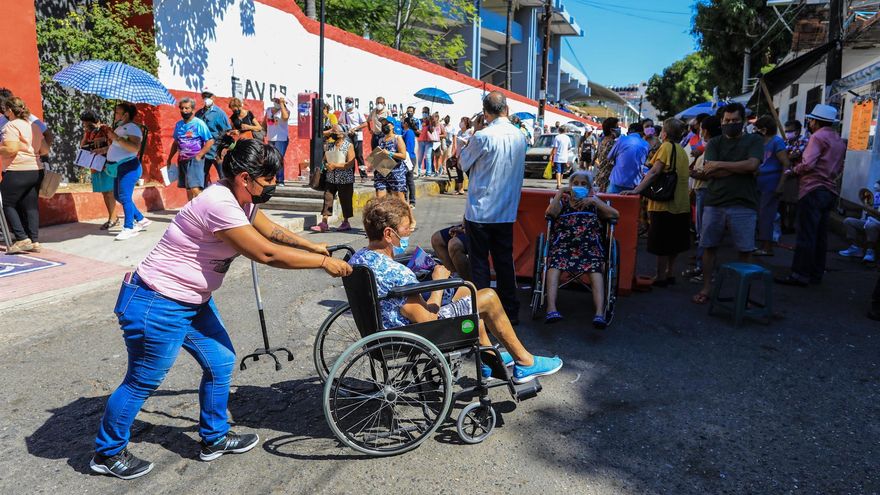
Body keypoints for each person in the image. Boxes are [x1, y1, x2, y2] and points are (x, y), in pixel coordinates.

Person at [90, 139, 352, 480]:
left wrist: (311, 244)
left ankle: (213, 439)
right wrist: (321, 262)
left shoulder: (240, 199)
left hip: (191, 301)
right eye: (268, 179)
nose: (272, 185)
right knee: (143, 380)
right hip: (157, 300)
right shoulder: (219, 204)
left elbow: (271, 230)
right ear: (245, 177)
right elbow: (266, 253)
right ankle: (107, 453)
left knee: (221, 361)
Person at [349, 196, 562, 383]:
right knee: (486, 296)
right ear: (388, 233)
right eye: (405, 230)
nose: (408, 236)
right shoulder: (398, 274)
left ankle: (487, 358)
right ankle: (525, 362)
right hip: (409, 333)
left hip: (383, 323)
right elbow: (429, 320)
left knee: (463, 295)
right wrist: (438, 280)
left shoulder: (359, 258)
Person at [459, 91, 525, 323]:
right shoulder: (520, 136)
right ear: (505, 108)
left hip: (481, 210)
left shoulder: (483, 136)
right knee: (504, 262)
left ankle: (484, 314)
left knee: (480, 265)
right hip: (506, 210)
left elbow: (463, 162)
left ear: (486, 112)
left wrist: (475, 132)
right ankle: (510, 310)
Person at [691, 102, 763, 304]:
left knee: (744, 249)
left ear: (743, 122)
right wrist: (742, 168)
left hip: (744, 203)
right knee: (708, 246)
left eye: (735, 121)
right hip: (715, 202)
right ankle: (706, 287)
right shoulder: (715, 143)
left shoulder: (754, 140)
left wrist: (720, 165)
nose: (731, 124)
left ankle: (743, 291)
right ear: (722, 121)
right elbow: (708, 171)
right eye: (727, 121)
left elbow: (753, 165)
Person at [775, 105, 846, 287]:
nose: (810, 123)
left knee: (806, 234)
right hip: (829, 190)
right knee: (820, 236)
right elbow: (839, 168)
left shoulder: (817, 137)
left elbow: (808, 164)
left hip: (813, 189)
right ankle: (815, 273)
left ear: (816, 121)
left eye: (811, 120)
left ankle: (799, 274)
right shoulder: (838, 139)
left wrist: (793, 170)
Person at [543, 171, 619, 327]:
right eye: (575, 183)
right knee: (554, 264)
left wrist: (595, 202)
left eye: (583, 184)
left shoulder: (594, 203)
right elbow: (550, 213)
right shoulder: (563, 202)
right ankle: (551, 308)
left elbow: (615, 215)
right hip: (564, 245)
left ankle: (599, 313)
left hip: (589, 247)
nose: (579, 186)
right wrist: (560, 192)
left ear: (590, 187)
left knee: (595, 267)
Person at [622, 118, 690, 287]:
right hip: (681, 203)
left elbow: (654, 172)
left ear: (664, 133)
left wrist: (636, 189)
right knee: (674, 242)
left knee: (662, 242)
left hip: (664, 204)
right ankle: (669, 273)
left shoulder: (666, 147)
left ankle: (660, 277)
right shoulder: (681, 150)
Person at [0, 97, 48, 254]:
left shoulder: (11, 126)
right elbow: (45, 150)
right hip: (36, 170)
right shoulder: (33, 125)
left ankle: (21, 238)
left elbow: (11, 149)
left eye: (6, 110)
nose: (5, 113)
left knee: (7, 202)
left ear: (11, 111)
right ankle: (34, 241)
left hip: (17, 170)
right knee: (31, 206)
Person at [102, 102, 152, 241]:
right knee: (118, 196)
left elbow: (134, 148)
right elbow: (117, 147)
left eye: (117, 112)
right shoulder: (120, 127)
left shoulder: (133, 128)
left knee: (124, 197)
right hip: (119, 167)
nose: (115, 114)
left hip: (129, 166)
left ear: (126, 114)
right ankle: (141, 220)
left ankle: (129, 227)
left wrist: (116, 138)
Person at [683, 115, 722, 282]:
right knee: (702, 231)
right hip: (701, 191)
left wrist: (691, 172)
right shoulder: (708, 146)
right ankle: (701, 267)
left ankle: (705, 271)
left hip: (706, 191)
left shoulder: (713, 146)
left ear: (705, 130)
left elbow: (709, 173)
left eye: (700, 128)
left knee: (704, 232)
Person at [752, 115, 790, 257]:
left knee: (766, 215)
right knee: (760, 215)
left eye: (757, 128)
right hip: (760, 182)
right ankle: (762, 244)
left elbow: (786, 164)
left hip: (771, 183)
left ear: (764, 129)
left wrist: (780, 185)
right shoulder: (762, 142)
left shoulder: (776, 142)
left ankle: (767, 247)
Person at [311, 125, 355, 232]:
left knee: (345, 200)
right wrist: (326, 164)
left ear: (342, 134)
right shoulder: (330, 145)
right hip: (331, 178)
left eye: (335, 131)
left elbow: (351, 163)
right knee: (327, 199)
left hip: (345, 179)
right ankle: (324, 222)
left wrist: (335, 165)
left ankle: (346, 222)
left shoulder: (348, 145)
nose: (332, 133)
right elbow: (324, 159)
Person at [168, 98, 214, 201]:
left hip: (195, 160)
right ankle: (191, 212)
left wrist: (199, 156)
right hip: (182, 160)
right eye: (182, 108)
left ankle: (202, 211)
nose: (184, 110)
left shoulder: (199, 123)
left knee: (195, 188)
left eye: (187, 108)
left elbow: (210, 141)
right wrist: (170, 158)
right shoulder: (179, 125)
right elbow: (176, 142)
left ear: (193, 110)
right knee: (188, 189)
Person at [79, 110, 116, 230]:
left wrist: (102, 150)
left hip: (107, 164)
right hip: (95, 165)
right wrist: (86, 134)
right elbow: (82, 146)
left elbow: (115, 145)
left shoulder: (106, 129)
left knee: (110, 192)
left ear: (96, 121)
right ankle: (113, 216)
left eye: (88, 124)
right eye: (84, 124)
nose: (86, 126)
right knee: (105, 192)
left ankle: (113, 218)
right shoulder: (89, 133)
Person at [195, 91, 231, 183]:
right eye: (204, 96)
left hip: (217, 152)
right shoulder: (198, 114)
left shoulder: (219, 113)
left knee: (223, 177)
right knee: (201, 177)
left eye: (208, 96)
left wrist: (223, 150)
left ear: (213, 97)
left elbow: (227, 132)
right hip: (203, 152)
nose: (205, 98)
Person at [781, 119, 809, 233]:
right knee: (782, 201)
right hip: (785, 173)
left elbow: (795, 155)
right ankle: (783, 224)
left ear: (797, 132)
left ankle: (790, 226)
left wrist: (786, 156)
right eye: (786, 131)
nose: (787, 133)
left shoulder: (804, 140)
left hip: (796, 174)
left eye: (789, 131)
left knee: (792, 202)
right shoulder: (786, 141)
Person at [374, 117, 409, 204]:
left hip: (396, 173)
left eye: (386, 124)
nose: (384, 126)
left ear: (392, 126)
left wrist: (389, 153)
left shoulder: (397, 138)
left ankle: (410, 217)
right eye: (382, 124)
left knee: (400, 201)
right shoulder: (381, 140)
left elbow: (403, 155)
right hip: (382, 172)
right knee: (380, 200)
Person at [839, 187, 879, 263]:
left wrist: (870, 210)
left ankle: (870, 252)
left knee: (870, 226)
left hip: (876, 223)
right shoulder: (877, 195)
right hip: (869, 220)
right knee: (848, 221)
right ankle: (856, 248)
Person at [607, 122, 649, 194]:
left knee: (610, 203)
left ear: (630, 130)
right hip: (634, 185)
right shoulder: (646, 144)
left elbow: (609, 157)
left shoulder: (622, 139)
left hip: (616, 181)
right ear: (642, 133)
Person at [263, 96, 290, 185]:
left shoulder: (285, 111)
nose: (276, 102)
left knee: (279, 158)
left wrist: (282, 104)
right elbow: (264, 122)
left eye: (278, 100)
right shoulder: (268, 110)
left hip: (281, 138)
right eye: (276, 100)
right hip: (271, 138)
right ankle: (270, 178)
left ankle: (280, 180)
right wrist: (264, 132)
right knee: (271, 158)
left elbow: (285, 117)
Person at [340, 97, 368, 181]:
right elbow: (339, 122)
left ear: (353, 103)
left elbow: (365, 123)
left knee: (359, 156)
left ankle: (363, 175)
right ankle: (350, 175)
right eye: (346, 101)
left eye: (349, 102)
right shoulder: (343, 113)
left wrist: (355, 128)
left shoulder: (358, 112)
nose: (348, 103)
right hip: (348, 137)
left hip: (357, 136)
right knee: (349, 156)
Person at [447, 116, 472, 195]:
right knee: (459, 172)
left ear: (466, 123)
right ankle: (460, 189)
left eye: (462, 122)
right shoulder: (459, 132)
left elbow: (470, 143)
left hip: (466, 155)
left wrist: (463, 140)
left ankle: (473, 188)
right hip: (459, 155)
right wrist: (454, 154)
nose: (460, 123)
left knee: (468, 172)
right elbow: (457, 145)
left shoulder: (470, 131)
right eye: (460, 121)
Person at [593, 117, 619, 192]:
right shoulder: (612, 143)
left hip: (601, 176)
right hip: (607, 179)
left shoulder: (603, 141)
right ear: (612, 130)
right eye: (617, 127)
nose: (619, 129)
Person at [401, 117, 418, 207]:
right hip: (407, 158)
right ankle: (405, 200)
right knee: (405, 180)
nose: (402, 123)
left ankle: (412, 201)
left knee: (409, 180)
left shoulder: (409, 133)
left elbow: (408, 148)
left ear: (406, 123)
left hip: (409, 158)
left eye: (403, 122)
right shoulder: (405, 132)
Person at [549, 125, 572, 189]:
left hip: (558, 157)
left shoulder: (557, 137)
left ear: (559, 130)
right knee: (561, 171)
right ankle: (560, 183)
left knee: (558, 171)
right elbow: (569, 147)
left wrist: (551, 156)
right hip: (564, 157)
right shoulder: (567, 137)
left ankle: (558, 184)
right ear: (565, 131)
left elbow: (555, 148)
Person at [416, 107, 437, 177]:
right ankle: (417, 171)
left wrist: (430, 121)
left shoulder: (431, 120)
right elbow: (419, 130)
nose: (424, 113)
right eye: (423, 112)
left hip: (428, 141)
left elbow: (432, 130)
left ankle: (428, 172)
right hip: (421, 140)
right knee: (420, 157)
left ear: (428, 113)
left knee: (428, 156)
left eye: (425, 112)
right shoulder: (420, 121)